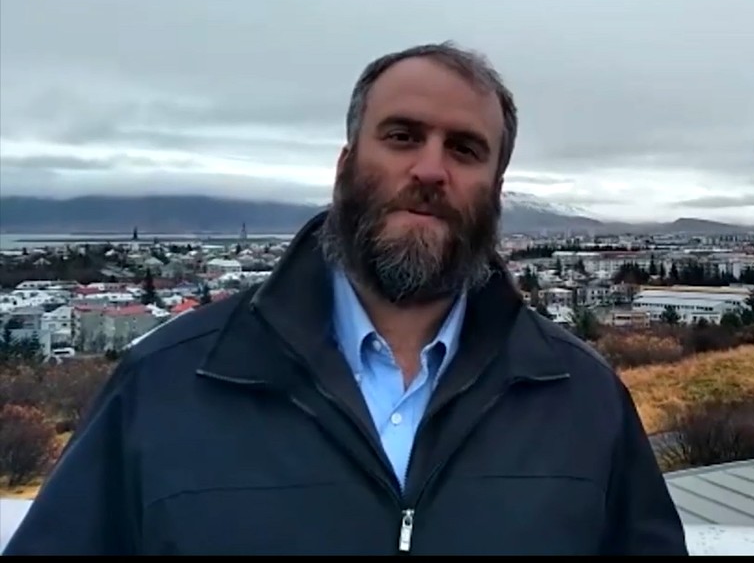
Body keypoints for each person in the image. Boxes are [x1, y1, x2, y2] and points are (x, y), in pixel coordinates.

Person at [4, 42, 689, 556]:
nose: (430, 169)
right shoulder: (169, 382)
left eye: (465, 149)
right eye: (402, 136)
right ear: (345, 166)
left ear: (496, 190)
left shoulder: (583, 400)